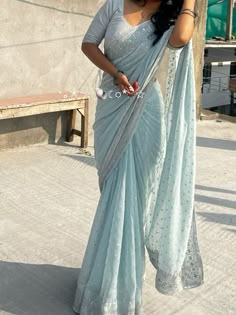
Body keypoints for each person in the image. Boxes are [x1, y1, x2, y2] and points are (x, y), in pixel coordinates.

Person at [73, 0, 204, 314]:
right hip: (113, 106)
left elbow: (182, 38)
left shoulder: (170, 15)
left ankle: (121, 290)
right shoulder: (115, 5)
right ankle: (103, 282)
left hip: (146, 111)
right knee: (113, 197)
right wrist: (115, 72)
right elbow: (88, 44)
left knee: (132, 202)